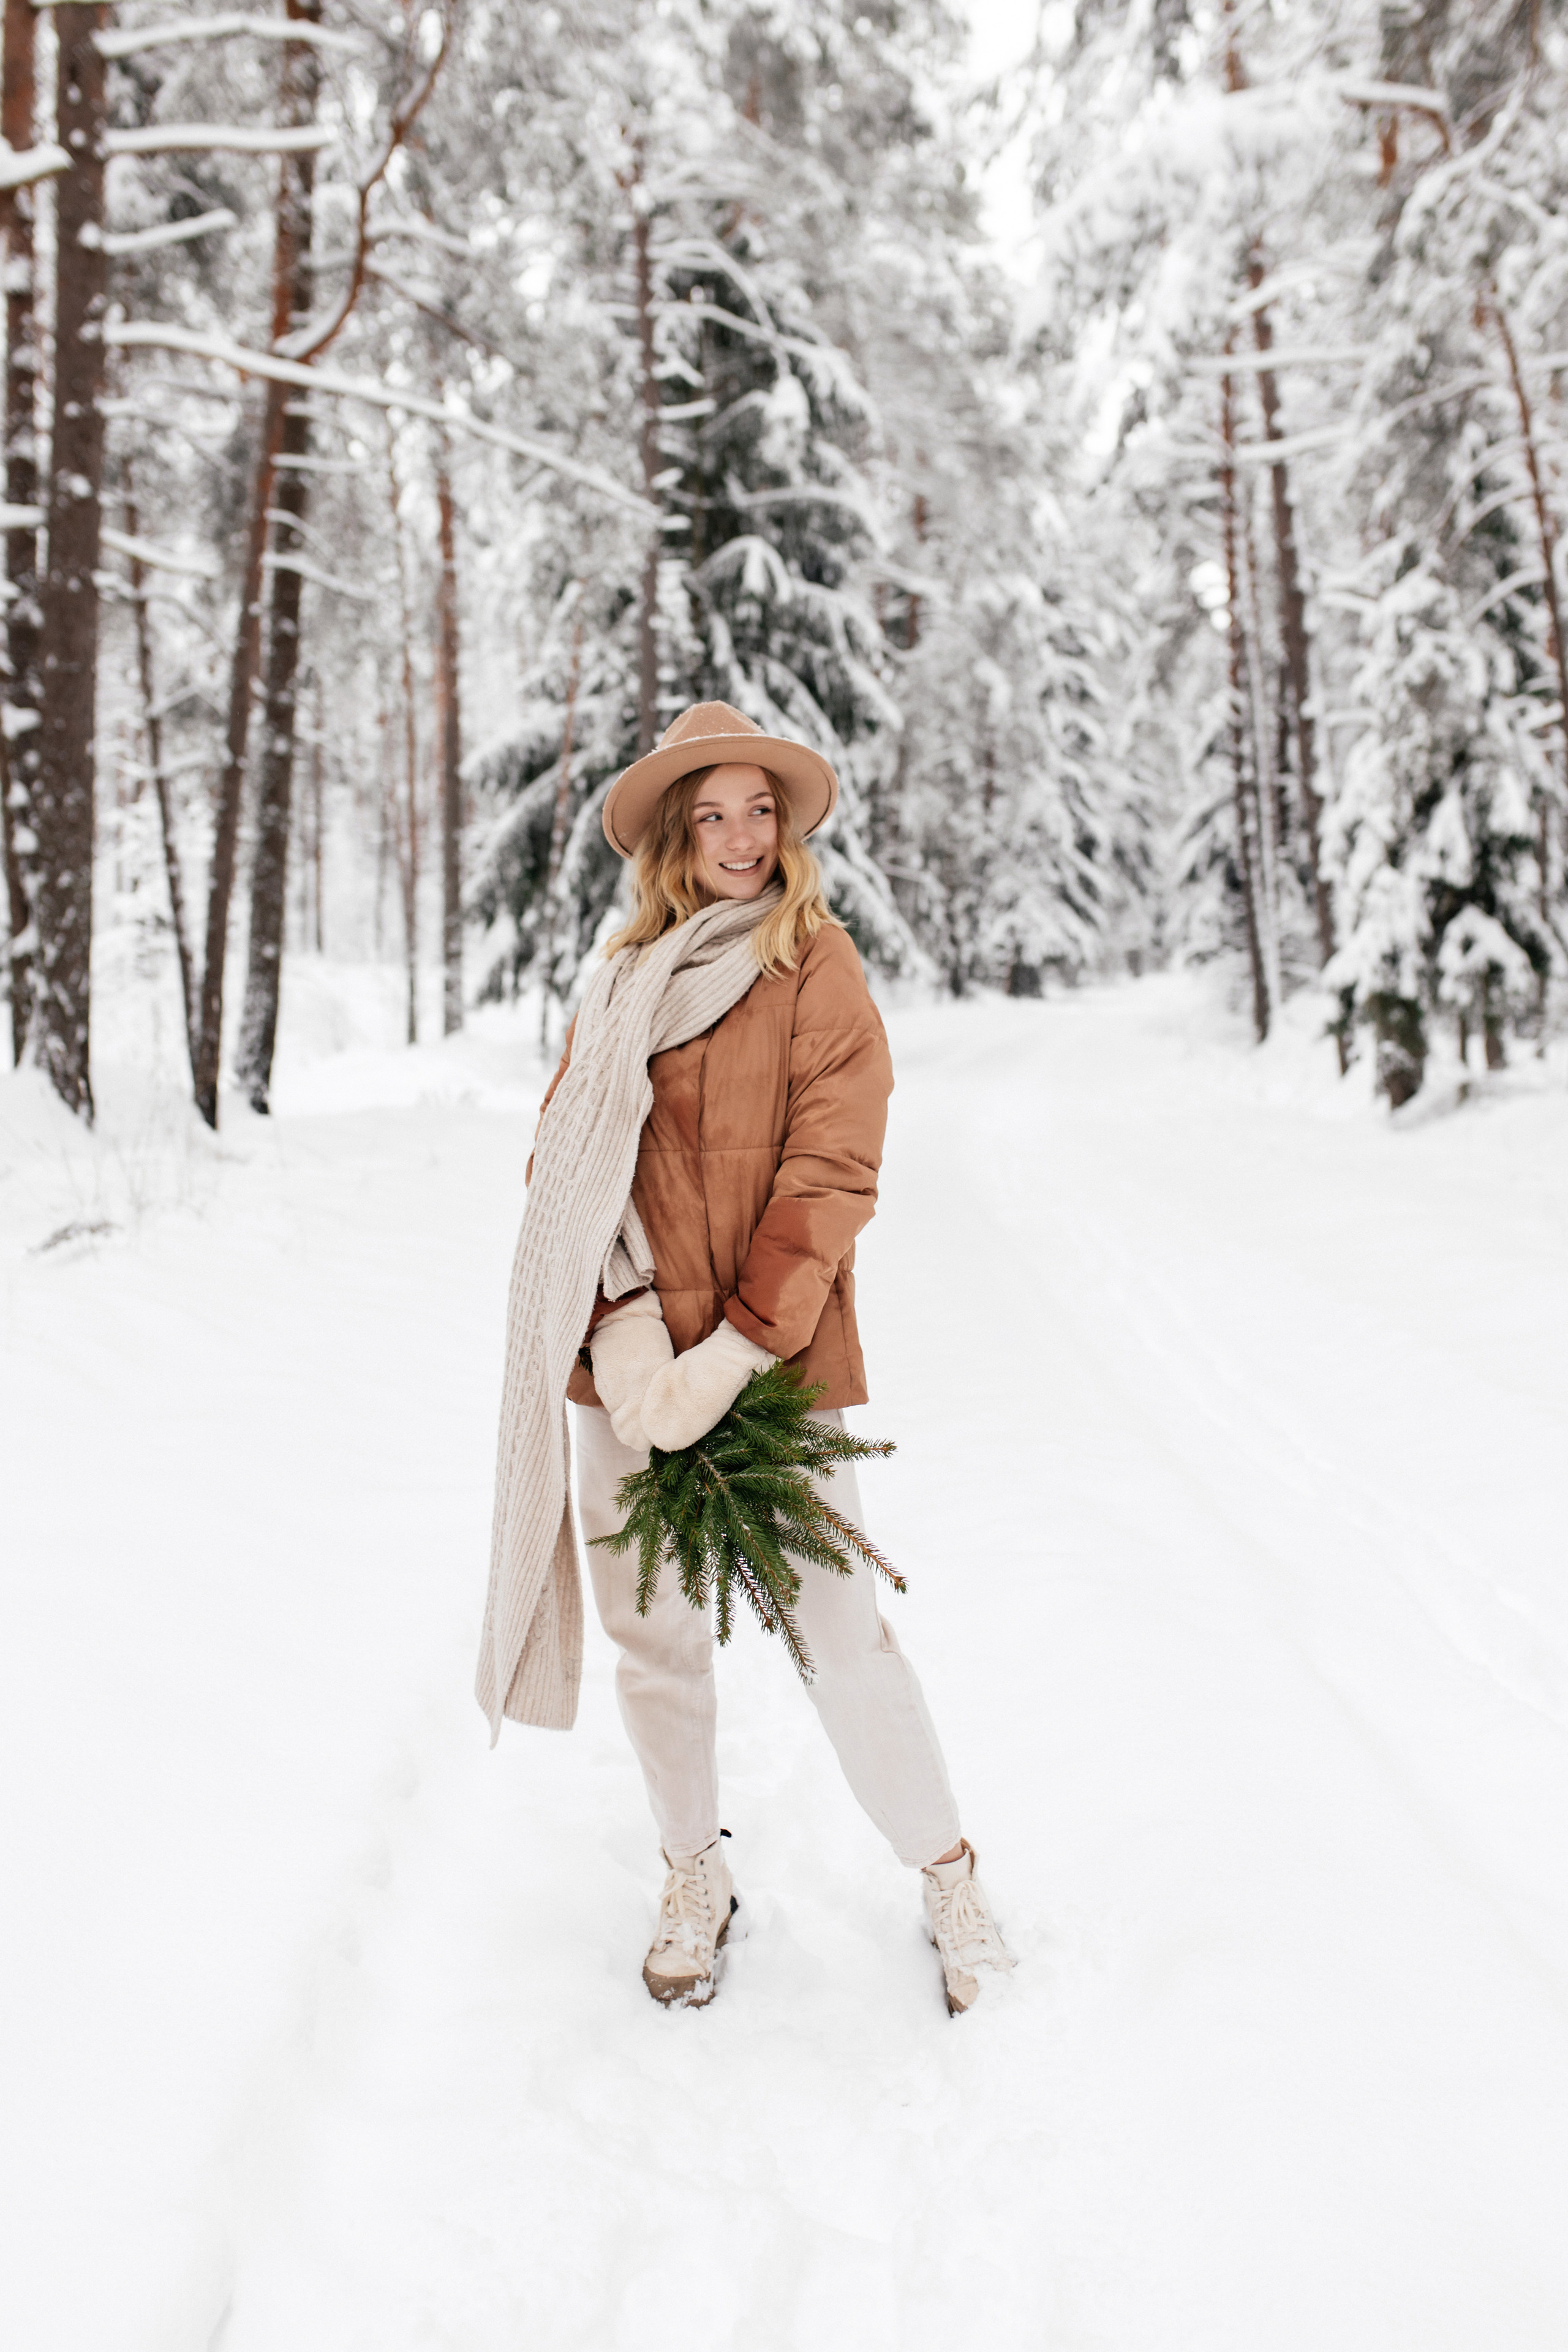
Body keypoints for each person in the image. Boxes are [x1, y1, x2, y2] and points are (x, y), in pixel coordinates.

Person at [478, 700, 1012, 2016]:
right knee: (651, 1639)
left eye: (758, 811)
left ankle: (947, 1874)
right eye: (711, 814)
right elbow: (566, 1169)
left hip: (772, 1362)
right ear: (674, 835)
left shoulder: (814, 965)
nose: (738, 837)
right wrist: (627, 1332)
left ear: (784, 826)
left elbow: (832, 1173)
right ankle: (693, 1876)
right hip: (626, 1371)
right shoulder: (620, 982)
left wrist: (730, 1352)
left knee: (841, 1635)